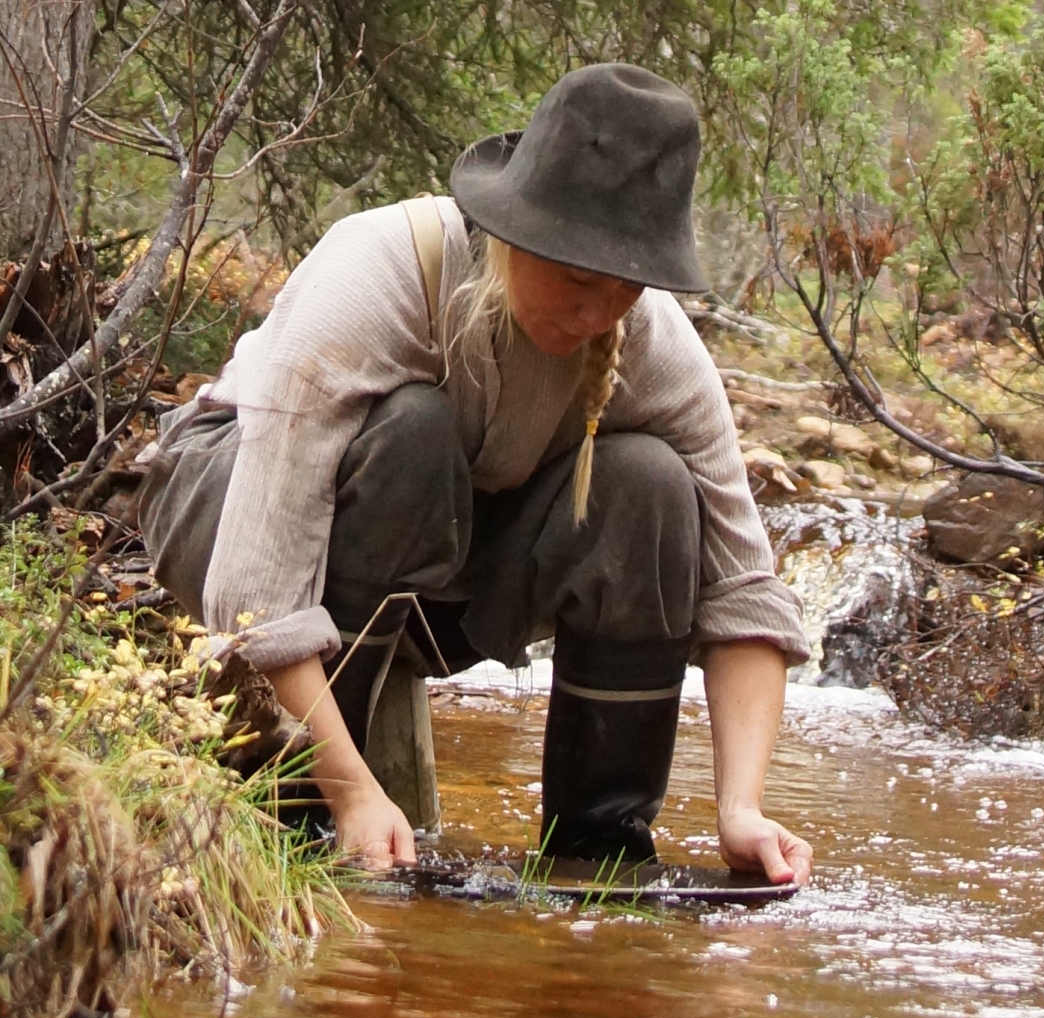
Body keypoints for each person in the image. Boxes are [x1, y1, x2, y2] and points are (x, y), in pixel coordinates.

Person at [136, 64, 813, 884]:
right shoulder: (370, 279)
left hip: (434, 580)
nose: (598, 315)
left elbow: (744, 593)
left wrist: (740, 809)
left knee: (649, 480)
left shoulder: (653, 343)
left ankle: (597, 856)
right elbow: (256, 591)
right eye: (578, 280)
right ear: (513, 233)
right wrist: (351, 791)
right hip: (222, 507)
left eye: (626, 288)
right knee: (413, 429)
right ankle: (297, 809)